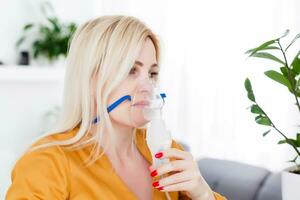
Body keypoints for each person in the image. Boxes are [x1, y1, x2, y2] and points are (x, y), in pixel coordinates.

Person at [6, 15, 226, 200]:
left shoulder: (165, 152)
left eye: (152, 73)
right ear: (90, 79)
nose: (148, 86)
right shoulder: (47, 162)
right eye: (131, 70)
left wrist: (202, 193)